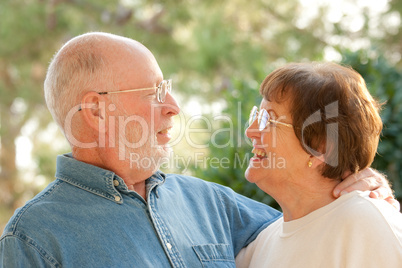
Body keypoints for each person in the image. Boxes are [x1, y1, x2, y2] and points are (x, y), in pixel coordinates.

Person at [0, 33, 396, 267]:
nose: (174, 106)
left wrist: (358, 178)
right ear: (96, 110)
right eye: (155, 92)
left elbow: (308, 222)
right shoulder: (32, 240)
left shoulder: (209, 203)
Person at [235, 62, 402, 267]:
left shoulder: (370, 226)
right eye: (257, 116)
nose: (250, 131)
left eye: (268, 120)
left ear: (321, 147)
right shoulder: (257, 247)